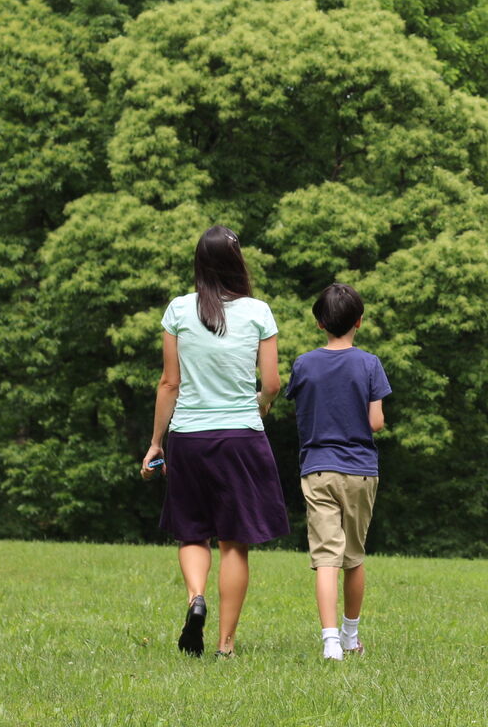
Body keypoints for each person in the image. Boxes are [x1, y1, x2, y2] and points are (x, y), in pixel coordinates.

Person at [140, 226, 288, 658]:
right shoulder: (259, 311)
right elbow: (273, 384)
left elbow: (169, 383)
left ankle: (195, 600)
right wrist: (257, 409)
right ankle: (225, 646)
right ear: (238, 263)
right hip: (241, 437)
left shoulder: (178, 310)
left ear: (199, 264)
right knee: (233, 542)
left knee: (191, 532)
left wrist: (156, 443)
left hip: (188, 437)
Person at [285, 283, 391, 661]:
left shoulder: (303, 363)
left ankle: (330, 642)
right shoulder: (369, 364)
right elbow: (376, 422)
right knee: (354, 556)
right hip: (361, 470)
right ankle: (350, 636)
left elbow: (299, 403)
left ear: (319, 323)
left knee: (325, 556)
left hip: (316, 469)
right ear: (359, 322)